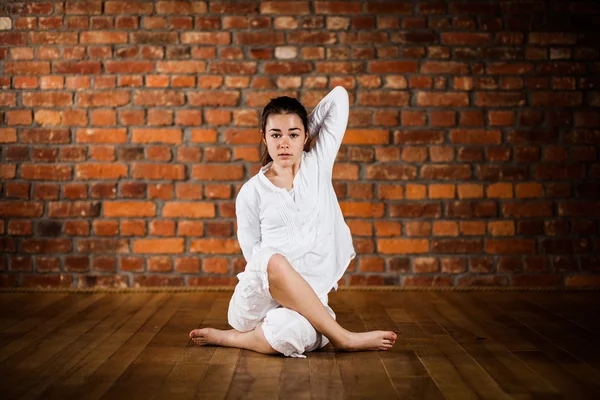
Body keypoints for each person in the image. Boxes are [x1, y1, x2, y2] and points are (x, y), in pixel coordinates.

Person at [189, 86, 397, 357]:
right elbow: (254, 258)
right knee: (271, 259)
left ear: (307, 135)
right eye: (275, 134)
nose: (284, 143)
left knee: (287, 335)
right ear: (264, 137)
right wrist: (296, 131)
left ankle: (232, 339)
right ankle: (344, 337)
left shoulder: (318, 164)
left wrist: (301, 127)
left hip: (308, 300)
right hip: (259, 299)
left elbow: (339, 98)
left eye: (293, 135)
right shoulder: (252, 191)